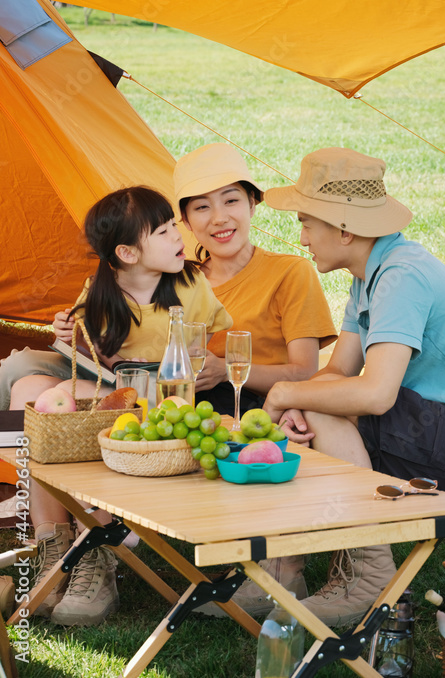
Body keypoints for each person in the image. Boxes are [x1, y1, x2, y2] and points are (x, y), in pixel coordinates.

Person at [260, 147, 445, 628]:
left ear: (345, 229)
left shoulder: (401, 276)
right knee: (317, 412)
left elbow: (375, 395)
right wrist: (300, 403)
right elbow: (338, 373)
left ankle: (367, 576)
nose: (301, 236)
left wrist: (288, 396)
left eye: (307, 223)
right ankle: (281, 573)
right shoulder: (368, 273)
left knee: (324, 411)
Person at [10, 186, 232, 627]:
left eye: (174, 227)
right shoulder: (99, 290)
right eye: (165, 231)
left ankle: (96, 548)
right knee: (27, 392)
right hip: (114, 392)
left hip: (168, 402)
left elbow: (196, 355)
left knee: (103, 420)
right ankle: (51, 544)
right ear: (128, 252)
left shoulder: (191, 284)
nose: (178, 237)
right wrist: (68, 330)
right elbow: (89, 360)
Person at [172, 143, 338, 619]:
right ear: (185, 219)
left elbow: (304, 370)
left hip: (266, 403)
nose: (219, 217)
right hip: (193, 405)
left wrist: (225, 368)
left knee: (241, 427)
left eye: (231, 200)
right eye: (201, 206)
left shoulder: (290, 271)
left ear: (252, 205)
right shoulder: (179, 280)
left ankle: (278, 571)